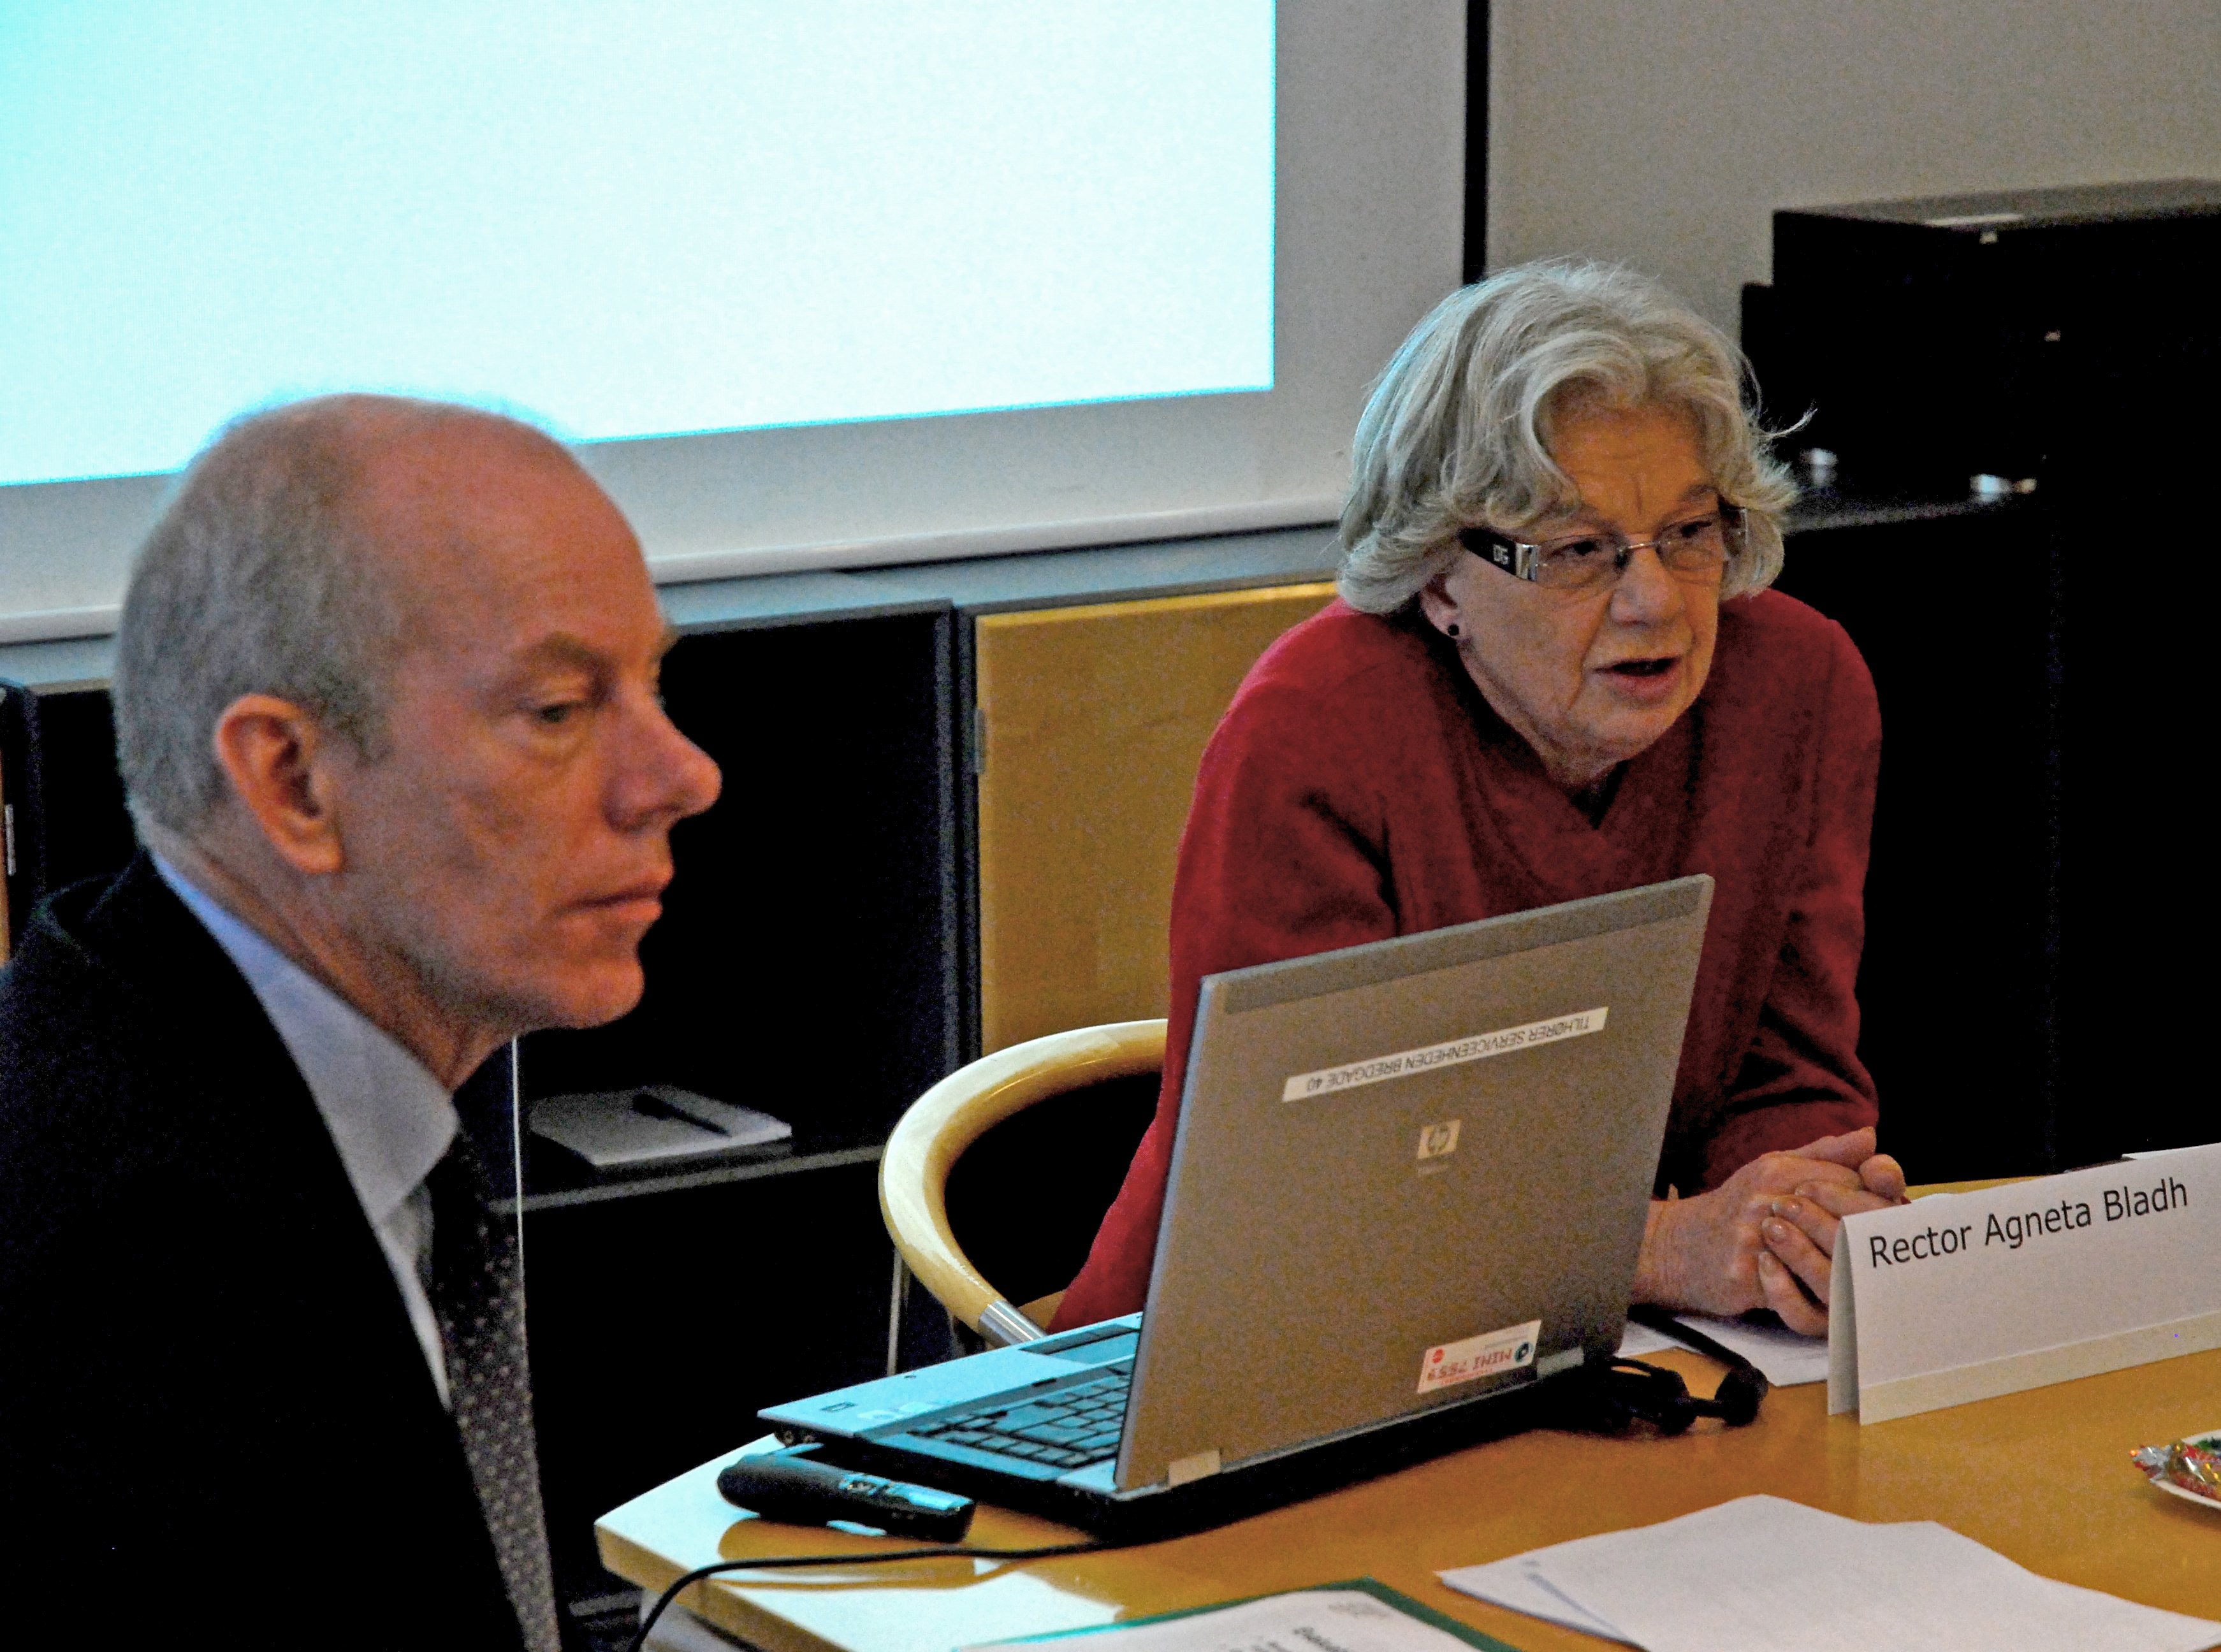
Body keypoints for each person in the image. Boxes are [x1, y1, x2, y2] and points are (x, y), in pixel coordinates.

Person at [1054, 261, 1904, 1339]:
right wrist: (1655, 1248)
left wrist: (1799, 1222)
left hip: (1608, 1351)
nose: (1656, 603)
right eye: (1580, 552)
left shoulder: (1796, 686)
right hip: (1248, 1357)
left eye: (1690, 533)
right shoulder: (1320, 728)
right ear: (1441, 579)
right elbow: (1315, 1193)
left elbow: (1793, 1078)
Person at [0, 396, 722, 1648]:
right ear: (290, 780)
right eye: (555, 711)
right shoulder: (135, 1272)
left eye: (652, 687)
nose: (682, 776)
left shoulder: (173, 1029)